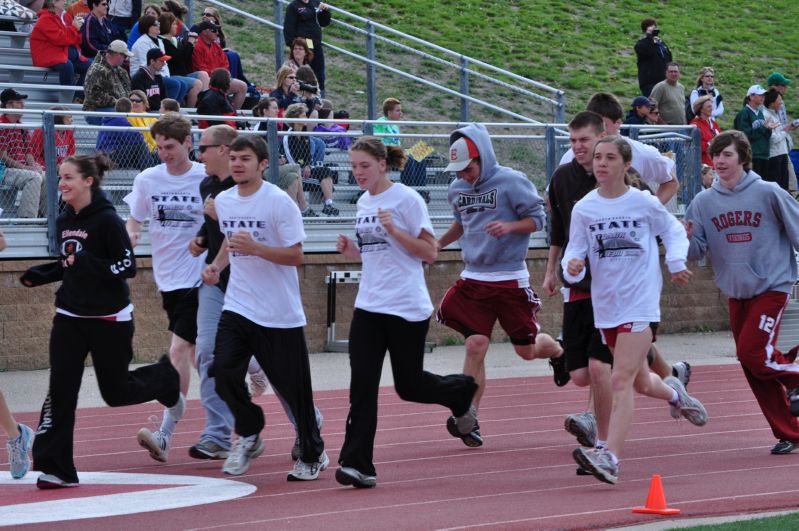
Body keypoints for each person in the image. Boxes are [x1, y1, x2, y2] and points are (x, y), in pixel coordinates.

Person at [20, 153, 185, 489]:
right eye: (60, 177)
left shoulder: (107, 221)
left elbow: (126, 267)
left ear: (88, 181)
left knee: (116, 392)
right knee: (60, 390)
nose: (62, 183)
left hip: (109, 319)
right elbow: (70, 263)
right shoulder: (65, 218)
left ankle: (164, 379)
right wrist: (45, 274)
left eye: (68, 177)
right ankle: (58, 467)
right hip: (68, 317)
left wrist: (86, 262)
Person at [334, 136, 478, 488]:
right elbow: (377, 254)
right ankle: (358, 464)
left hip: (406, 309)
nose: (358, 173)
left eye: (364, 166)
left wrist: (395, 230)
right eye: (353, 167)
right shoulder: (363, 202)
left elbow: (429, 253)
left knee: (409, 386)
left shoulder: (407, 199)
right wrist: (353, 250)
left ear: (383, 164)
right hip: (368, 306)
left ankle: (460, 391)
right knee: (362, 388)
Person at [563, 136, 707, 484]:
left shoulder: (642, 202)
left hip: (640, 302)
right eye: (597, 157)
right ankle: (676, 394)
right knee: (642, 381)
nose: (601, 163)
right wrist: (573, 265)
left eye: (610, 157)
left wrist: (675, 262)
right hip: (606, 306)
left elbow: (673, 230)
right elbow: (574, 249)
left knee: (620, 379)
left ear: (626, 165)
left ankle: (609, 456)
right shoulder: (584, 208)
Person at [187, 125, 320, 461]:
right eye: (234, 158)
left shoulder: (279, 202)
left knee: (290, 385)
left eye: (245, 158)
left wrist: (257, 248)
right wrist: (215, 266)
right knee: (220, 370)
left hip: (277, 309)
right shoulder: (224, 200)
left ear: (262, 164)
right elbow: (231, 244)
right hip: (237, 303)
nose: (237, 164)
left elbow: (296, 256)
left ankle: (310, 442)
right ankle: (247, 430)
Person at [436, 123, 565, 448]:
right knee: (474, 345)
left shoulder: (511, 181)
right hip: (474, 279)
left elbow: (538, 220)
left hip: (509, 279)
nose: (464, 175)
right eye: (458, 170)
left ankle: (560, 350)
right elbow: (461, 223)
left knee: (527, 350)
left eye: (468, 168)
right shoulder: (456, 189)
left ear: (483, 157)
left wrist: (509, 226)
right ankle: (468, 416)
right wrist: (438, 244)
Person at [685, 130, 799, 455]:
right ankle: (789, 431)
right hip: (736, 292)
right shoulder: (703, 201)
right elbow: (695, 252)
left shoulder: (768, 192)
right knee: (752, 364)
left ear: (743, 158)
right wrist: (685, 238)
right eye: (715, 155)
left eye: (727, 155)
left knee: (752, 353)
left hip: (771, 287)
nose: (719, 161)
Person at [123, 113, 206, 463]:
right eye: (159, 147)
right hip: (168, 280)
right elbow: (134, 219)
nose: (164, 153)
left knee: (177, 352)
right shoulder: (148, 179)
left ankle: (165, 435)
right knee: (203, 354)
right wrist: (130, 236)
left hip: (202, 279)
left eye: (170, 146)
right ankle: (257, 376)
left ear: (188, 142)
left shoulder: (205, 177)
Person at [131, 14, 201, 107]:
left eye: (158, 24)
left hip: (159, 74)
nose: (158, 26)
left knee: (182, 85)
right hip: (145, 77)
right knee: (175, 84)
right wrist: (163, 77)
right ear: (148, 27)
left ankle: (174, 110)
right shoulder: (141, 43)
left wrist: (166, 76)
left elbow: (165, 63)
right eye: (155, 24)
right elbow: (147, 64)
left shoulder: (159, 41)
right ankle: (167, 110)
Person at [281, 102, 339, 216]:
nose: (306, 118)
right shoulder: (287, 136)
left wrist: (307, 165)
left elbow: (307, 156)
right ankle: (305, 209)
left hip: (305, 171)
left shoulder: (305, 135)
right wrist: (301, 168)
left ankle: (329, 205)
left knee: (328, 171)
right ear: (295, 118)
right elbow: (289, 157)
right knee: (325, 175)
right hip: (295, 174)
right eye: (303, 116)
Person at [373, 97, 430, 200]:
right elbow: (378, 142)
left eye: (401, 110)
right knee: (410, 160)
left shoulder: (395, 125)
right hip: (387, 153)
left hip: (397, 151)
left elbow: (396, 143)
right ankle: (409, 192)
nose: (401, 113)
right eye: (398, 110)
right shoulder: (381, 122)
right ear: (389, 112)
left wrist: (404, 150)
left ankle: (421, 192)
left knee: (421, 155)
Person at [0, 89, 44, 218]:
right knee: (33, 177)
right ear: (9, 105)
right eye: (19, 102)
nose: (23, 105)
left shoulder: (21, 126)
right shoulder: (2, 125)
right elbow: (2, 156)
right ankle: (27, 220)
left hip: (18, 169)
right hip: (3, 170)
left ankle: (45, 217)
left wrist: (34, 166)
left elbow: (28, 153)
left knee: (45, 175)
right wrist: (27, 168)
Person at [30, 0, 91, 90]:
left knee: (91, 67)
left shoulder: (63, 16)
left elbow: (74, 39)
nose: (66, 2)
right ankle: (67, 98)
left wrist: (78, 28)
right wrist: (74, 27)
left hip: (61, 52)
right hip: (48, 54)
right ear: (54, 2)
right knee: (67, 66)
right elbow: (61, 39)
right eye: (63, 0)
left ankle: (77, 97)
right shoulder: (45, 18)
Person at [191, 19, 247, 110]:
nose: (217, 33)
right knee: (205, 76)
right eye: (214, 30)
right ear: (204, 32)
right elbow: (199, 67)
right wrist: (217, 75)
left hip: (218, 79)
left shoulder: (216, 46)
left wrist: (222, 76)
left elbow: (225, 64)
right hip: (206, 80)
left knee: (242, 86)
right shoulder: (197, 45)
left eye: (217, 30)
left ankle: (232, 115)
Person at [283, 0, 331, 96]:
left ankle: (319, 97)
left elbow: (324, 23)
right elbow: (288, 27)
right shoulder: (294, 6)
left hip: (316, 43)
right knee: (303, 72)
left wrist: (325, 11)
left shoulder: (316, 3)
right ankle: (299, 96)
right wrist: (293, 45)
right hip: (303, 43)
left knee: (319, 73)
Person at [82, 40, 133, 125]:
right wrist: (117, 102)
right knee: (121, 119)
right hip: (95, 111)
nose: (126, 59)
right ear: (118, 54)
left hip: (117, 109)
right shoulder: (97, 70)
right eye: (124, 56)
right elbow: (93, 95)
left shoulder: (122, 71)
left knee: (140, 115)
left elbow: (128, 91)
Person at [95, 97, 152, 169]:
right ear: (130, 110)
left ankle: (148, 168)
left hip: (104, 155)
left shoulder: (111, 119)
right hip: (109, 157)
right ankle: (147, 170)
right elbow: (137, 138)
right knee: (141, 145)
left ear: (116, 108)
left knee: (144, 151)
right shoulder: (120, 120)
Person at [199, 7, 251, 86]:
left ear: (215, 18)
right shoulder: (199, 29)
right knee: (230, 56)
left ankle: (234, 79)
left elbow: (219, 48)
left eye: (208, 15)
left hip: (217, 57)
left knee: (233, 55)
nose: (204, 16)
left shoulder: (219, 33)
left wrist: (222, 51)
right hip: (208, 61)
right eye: (203, 14)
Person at [733, 84, 777, 179]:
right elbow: (744, 136)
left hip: (763, 155)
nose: (763, 97)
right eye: (760, 95)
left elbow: (764, 136)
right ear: (751, 96)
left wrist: (768, 129)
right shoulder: (744, 113)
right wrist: (763, 128)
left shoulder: (760, 113)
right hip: (751, 156)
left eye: (763, 95)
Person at [159, 12, 209, 95]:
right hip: (172, 75)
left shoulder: (174, 40)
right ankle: (191, 107)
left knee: (203, 75)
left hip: (182, 73)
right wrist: (189, 44)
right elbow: (177, 58)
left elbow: (186, 59)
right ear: (167, 25)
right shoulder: (162, 42)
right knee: (197, 83)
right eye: (174, 24)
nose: (177, 26)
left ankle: (204, 102)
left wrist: (192, 45)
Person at [766, 72, 797, 191]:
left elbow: (783, 124)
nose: (786, 88)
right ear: (774, 86)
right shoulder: (767, 105)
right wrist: (787, 129)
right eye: (783, 85)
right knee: (788, 184)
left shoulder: (780, 102)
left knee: (790, 184)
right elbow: (775, 129)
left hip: (783, 145)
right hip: (775, 150)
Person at [634, 17, 672, 97]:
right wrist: (649, 37)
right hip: (650, 83)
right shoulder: (641, 44)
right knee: (653, 106)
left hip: (665, 81)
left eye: (655, 27)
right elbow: (647, 52)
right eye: (651, 28)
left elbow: (669, 59)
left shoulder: (661, 44)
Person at [763, 89, 791, 190]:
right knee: (777, 187)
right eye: (779, 100)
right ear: (772, 102)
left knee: (784, 186)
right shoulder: (766, 115)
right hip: (774, 156)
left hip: (782, 153)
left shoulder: (773, 114)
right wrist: (785, 131)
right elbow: (772, 139)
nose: (781, 102)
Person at [130, 48, 169, 112]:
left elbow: (165, 98)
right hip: (147, 112)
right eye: (161, 61)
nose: (164, 63)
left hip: (158, 110)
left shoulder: (158, 77)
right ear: (152, 61)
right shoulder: (138, 77)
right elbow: (142, 101)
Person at [690, 95, 722, 167]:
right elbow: (695, 147)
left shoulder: (713, 123)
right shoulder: (695, 125)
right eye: (709, 106)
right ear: (701, 109)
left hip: (715, 163)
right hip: (703, 166)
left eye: (711, 106)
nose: (712, 109)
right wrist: (711, 143)